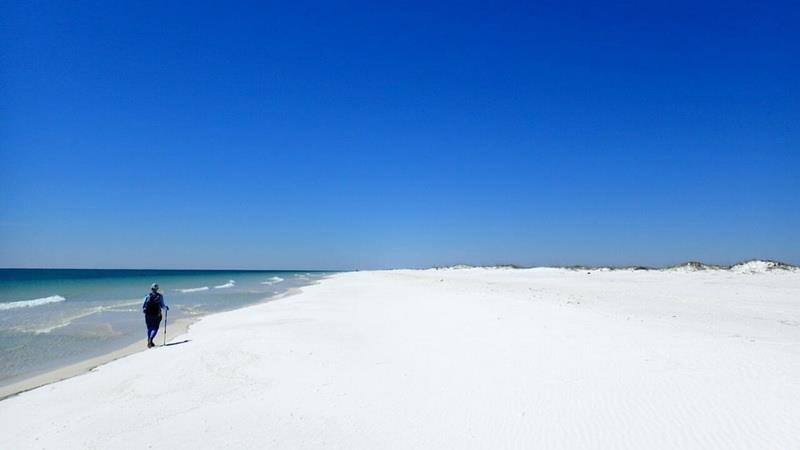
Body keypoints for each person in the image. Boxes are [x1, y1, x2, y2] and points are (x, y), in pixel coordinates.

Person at [142, 283, 169, 348]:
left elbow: (143, 305)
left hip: (148, 314)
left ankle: (149, 340)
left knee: (149, 328)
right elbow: (162, 306)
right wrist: (166, 308)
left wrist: (145, 311)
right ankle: (151, 339)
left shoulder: (147, 296)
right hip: (157, 314)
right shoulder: (160, 296)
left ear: (151, 289)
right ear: (157, 289)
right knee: (155, 328)